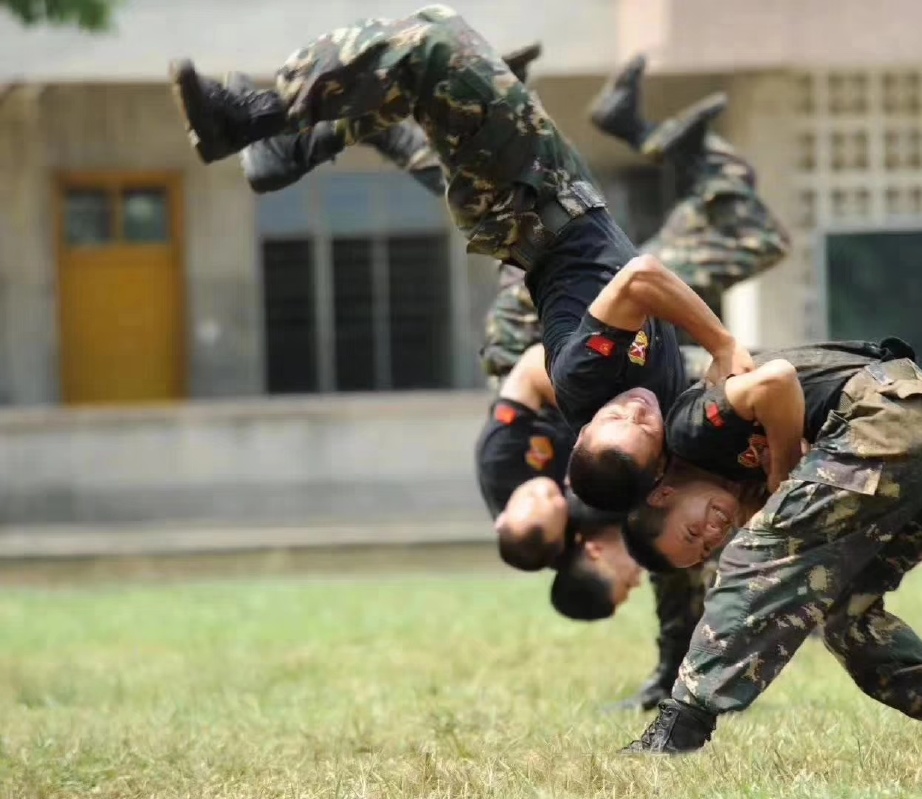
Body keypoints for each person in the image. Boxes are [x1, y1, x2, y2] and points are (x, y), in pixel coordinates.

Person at [167, 5, 756, 516]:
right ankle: (285, 152)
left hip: (521, 202)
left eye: (618, 423)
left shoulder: (585, 380)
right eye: (643, 429)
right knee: (420, 88)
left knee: (435, 40)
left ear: (580, 439)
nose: (636, 412)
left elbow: (643, 278)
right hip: (561, 193)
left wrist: (723, 342)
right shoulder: (666, 418)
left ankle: (250, 119)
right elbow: (729, 444)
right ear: (659, 464)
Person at [618, 342, 922, 781]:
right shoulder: (734, 474)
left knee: (751, 558)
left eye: (692, 532)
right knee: (846, 617)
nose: (711, 535)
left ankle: (680, 727)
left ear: (664, 494)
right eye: (704, 548)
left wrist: (783, 469)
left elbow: (776, 379)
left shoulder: (692, 427)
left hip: (889, 421)